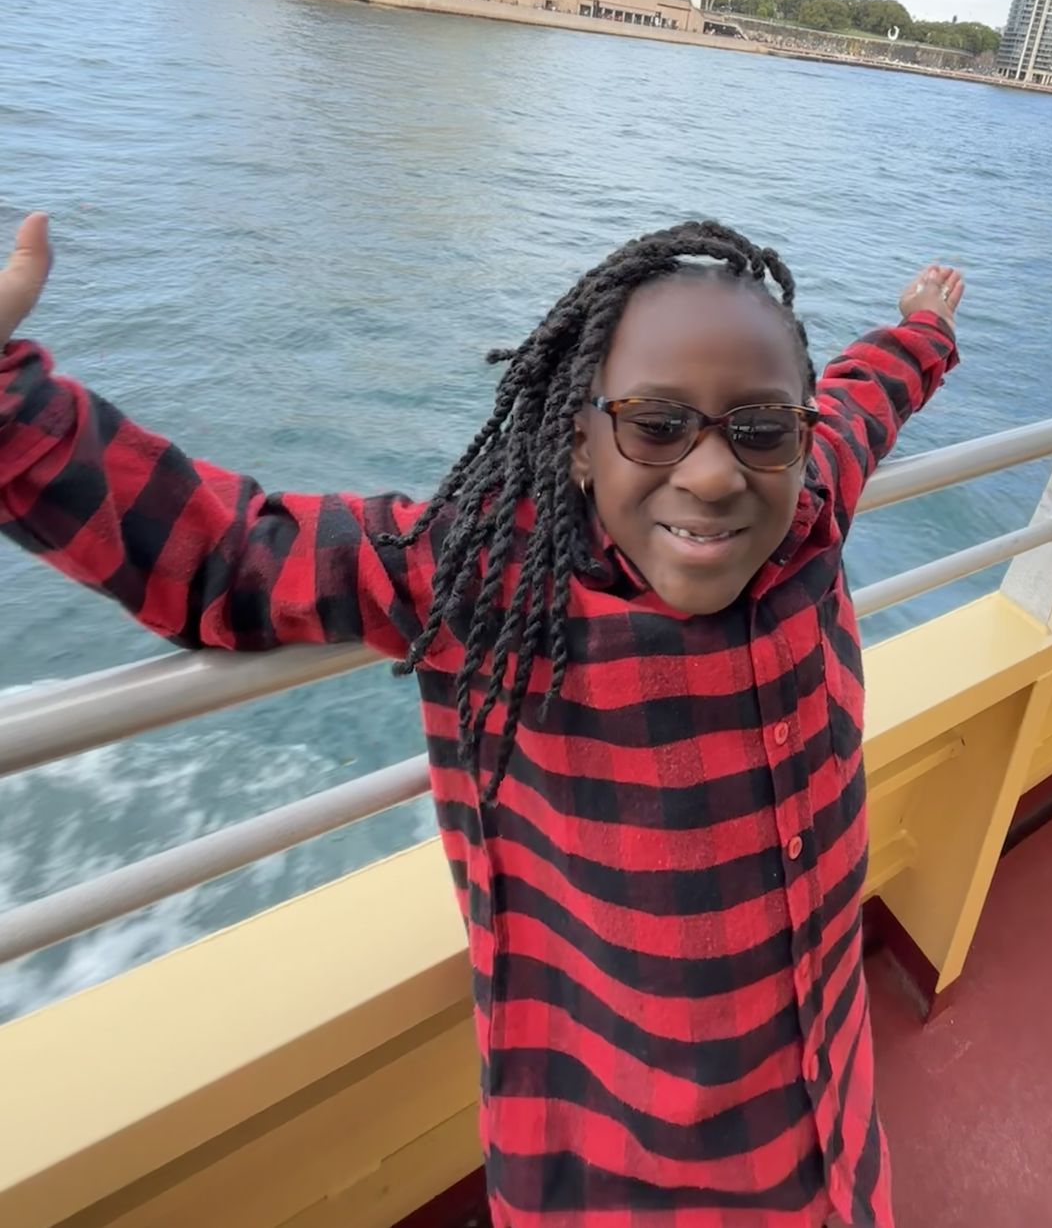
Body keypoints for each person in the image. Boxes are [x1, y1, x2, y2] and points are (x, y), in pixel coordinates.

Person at [0, 213, 962, 1227]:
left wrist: (923, 329)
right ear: (580, 443)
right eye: (655, 424)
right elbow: (227, 558)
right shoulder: (486, 577)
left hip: (829, 1103)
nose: (715, 474)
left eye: (760, 429)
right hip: (622, 1161)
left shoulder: (807, 502)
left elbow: (864, 396)